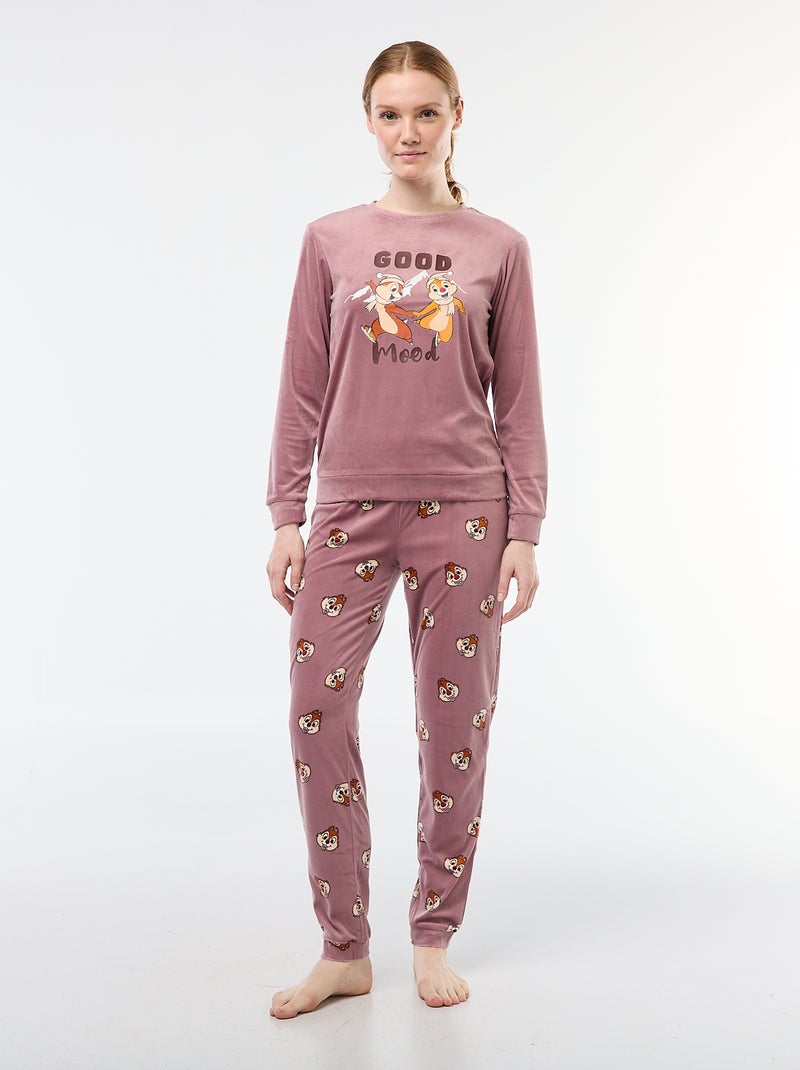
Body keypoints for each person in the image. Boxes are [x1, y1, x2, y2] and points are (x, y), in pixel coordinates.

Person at [265, 40, 548, 1018]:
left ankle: (433, 931)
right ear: (369, 121)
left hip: (466, 510)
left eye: (426, 112)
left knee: (453, 725)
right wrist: (286, 513)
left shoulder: (498, 247)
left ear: (456, 116)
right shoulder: (329, 240)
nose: (408, 132)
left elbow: (519, 402)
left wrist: (525, 527)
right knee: (316, 708)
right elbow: (301, 386)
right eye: (389, 114)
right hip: (346, 508)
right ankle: (343, 946)